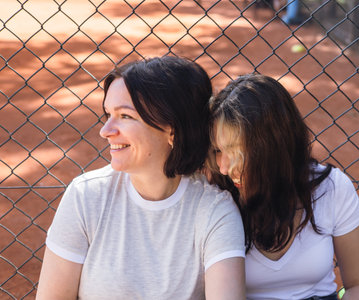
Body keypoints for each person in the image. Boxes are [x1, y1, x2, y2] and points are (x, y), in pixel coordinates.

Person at [37, 56, 246, 300]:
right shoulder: (85, 196)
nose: (106, 131)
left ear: (172, 129)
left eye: (125, 116)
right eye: (108, 114)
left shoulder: (213, 210)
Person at [206, 74, 359, 300]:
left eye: (236, 151)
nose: (224, 168)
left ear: (274, 146)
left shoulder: (333, 188)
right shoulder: (213, 198)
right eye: (218, 151)